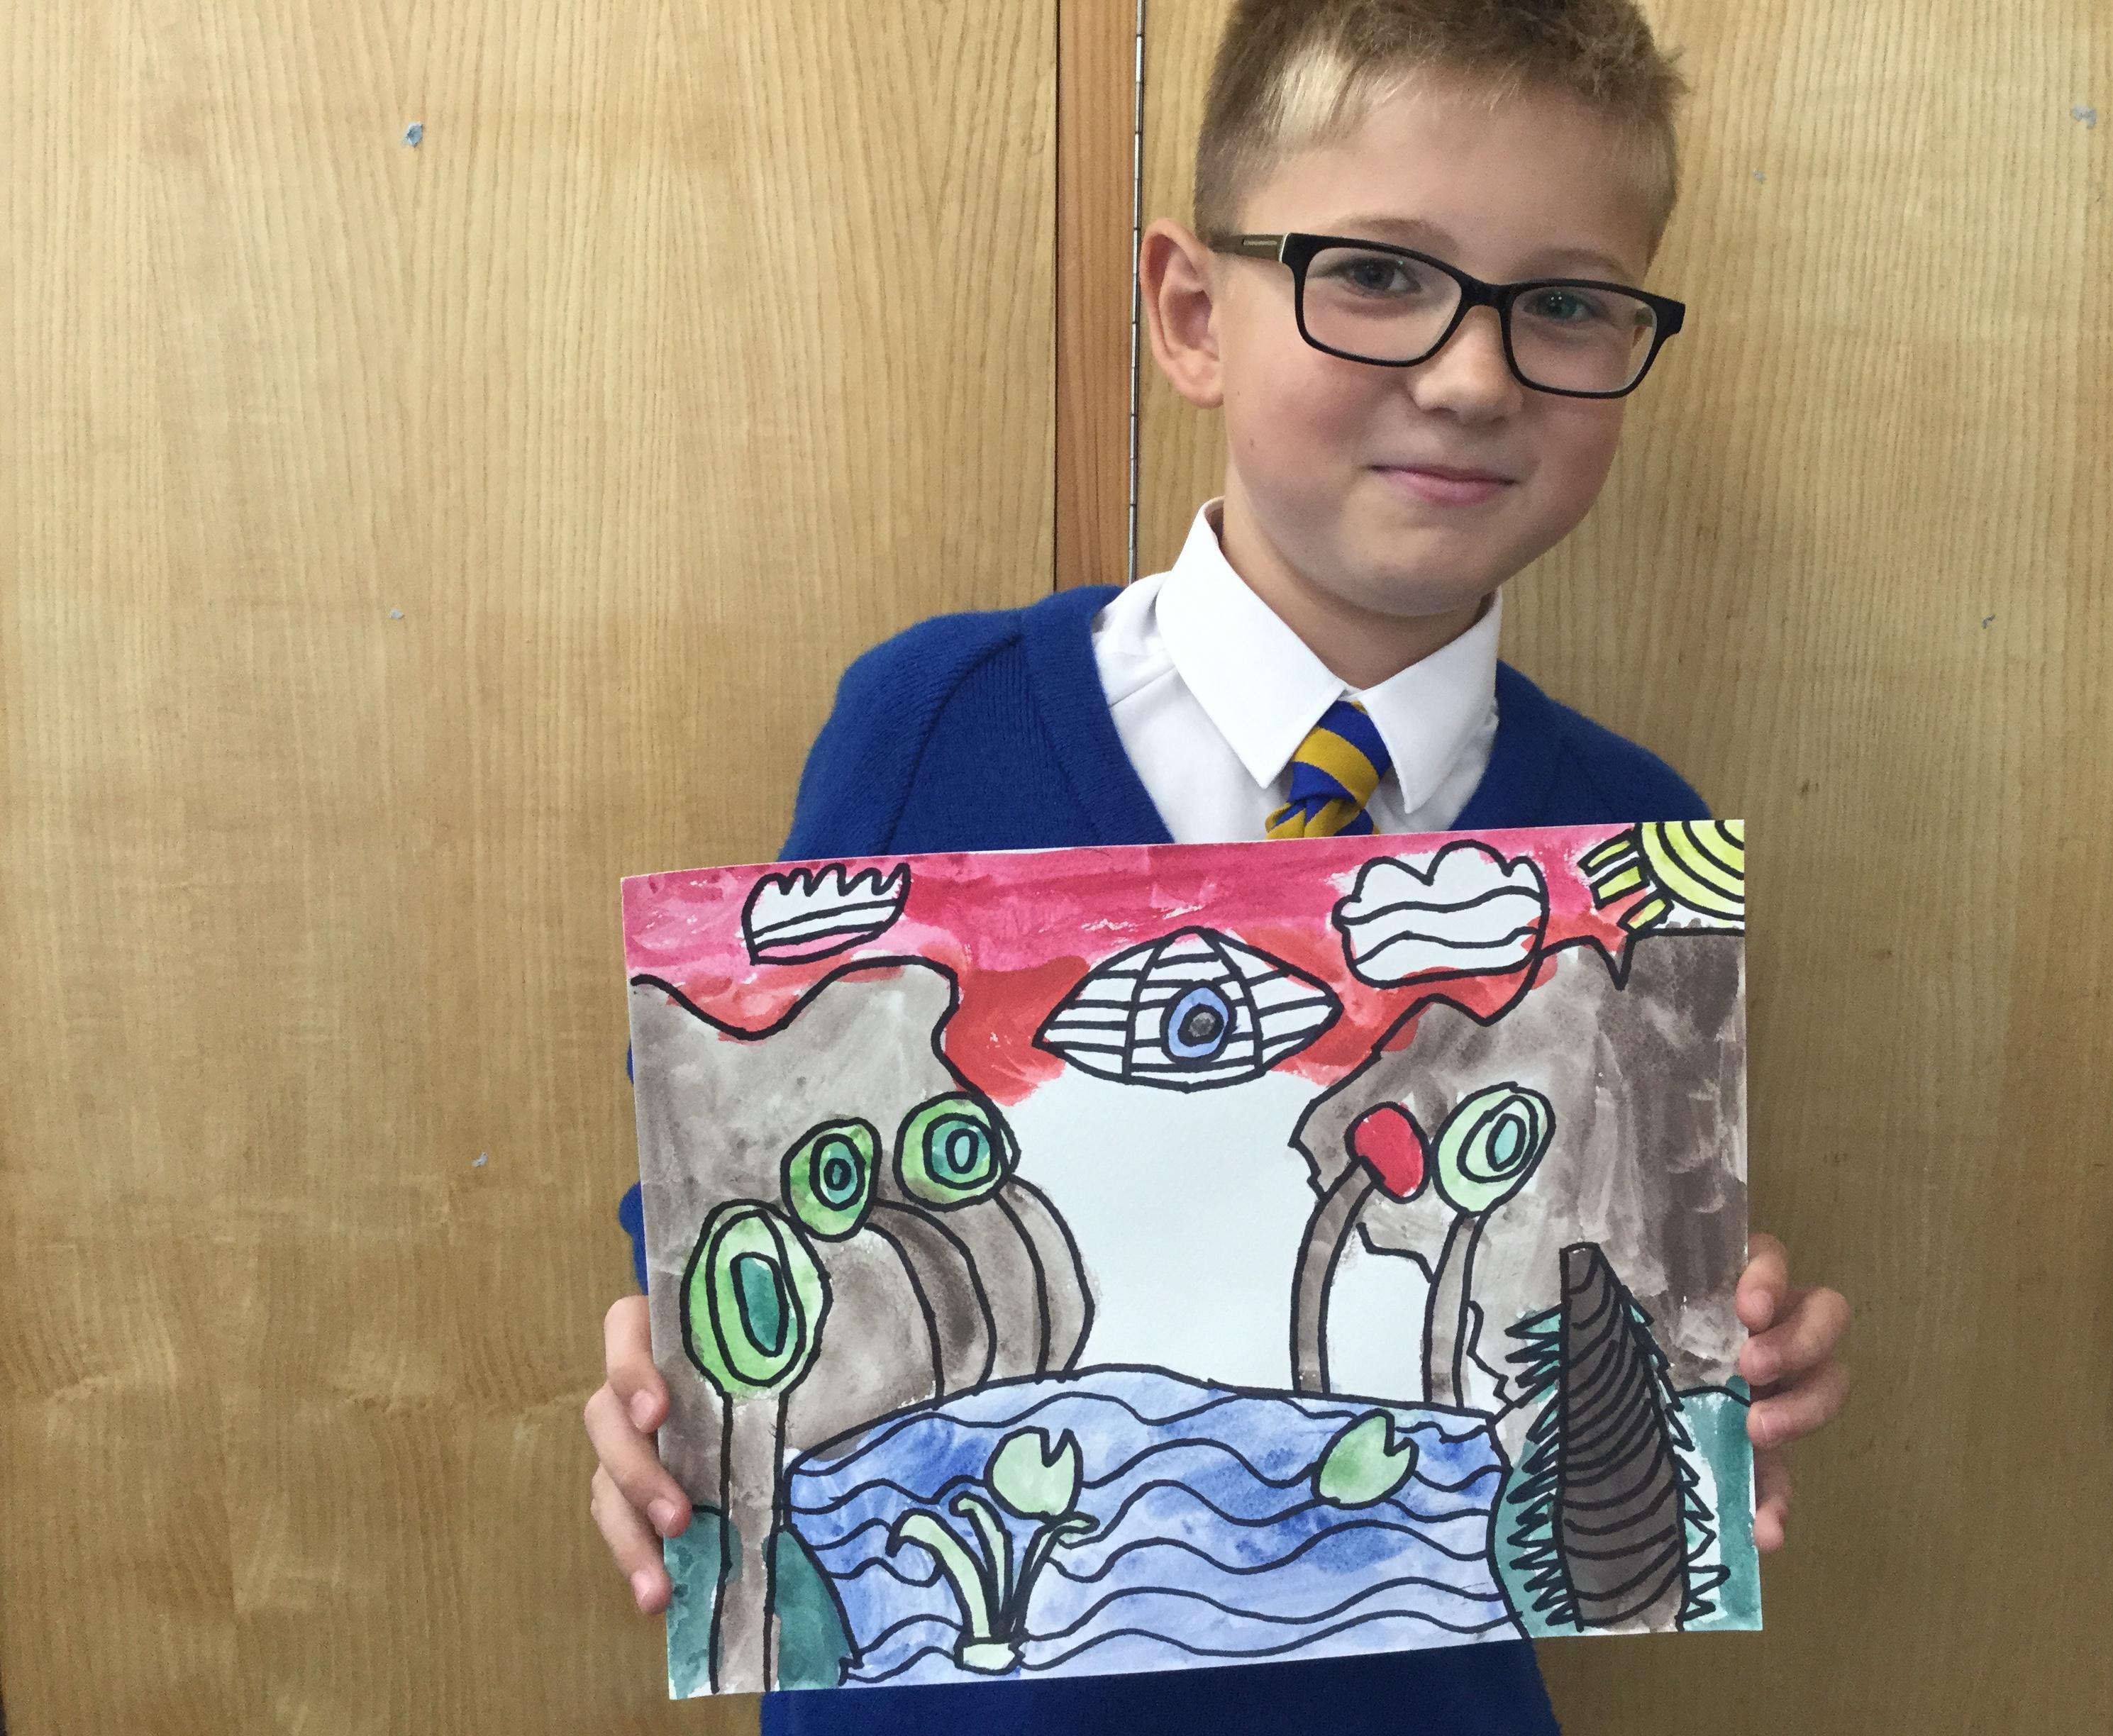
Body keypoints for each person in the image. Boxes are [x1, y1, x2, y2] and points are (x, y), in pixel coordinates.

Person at [586, 1, 1853, 1730]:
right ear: (1192, 312)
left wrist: (1737, 1352)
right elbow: (732, 1174)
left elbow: (1602, 1314)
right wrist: (660, 1382)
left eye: (1566, 303)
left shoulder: (1629, 851)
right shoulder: (925, 723)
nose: (1473, 377)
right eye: (1379, 275)